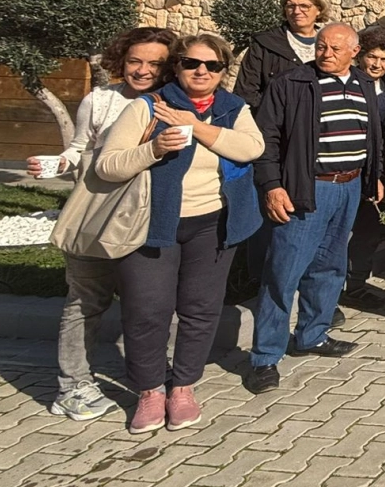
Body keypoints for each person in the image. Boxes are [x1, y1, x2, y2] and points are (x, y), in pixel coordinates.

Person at [96, 32, 264, 430]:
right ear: (178, 66)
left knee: (201, 309)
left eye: (212, 65)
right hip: (152, 223)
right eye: (192, 63)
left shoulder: (232, 107)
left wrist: (195, 126)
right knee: (147, 311)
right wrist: (152, 150)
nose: (201, 71)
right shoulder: (149, 106)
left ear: (223, 71)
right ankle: (150, 391)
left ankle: (183, 386)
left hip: (213, 223)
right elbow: (108, 166)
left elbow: (250, 149)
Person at [33, 25, 176, 422]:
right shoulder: (99, 100)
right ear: (121, 60)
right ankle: (73, 385)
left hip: (149, 217)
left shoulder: (173, 102)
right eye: (135, 61)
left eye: (154, 63)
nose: (143, 70)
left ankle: (151, 376)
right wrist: (59, 163)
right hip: (97, 215)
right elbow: (79, 149)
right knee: (85, 301)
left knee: (151, 302)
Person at [244, 24, 383, 393]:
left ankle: (312, 334)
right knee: (283, 272)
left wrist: (373, 177)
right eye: (322, 46)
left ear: (354, 51)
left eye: (336, 48)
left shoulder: (363, 84)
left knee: (330, 267)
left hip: (349, 187)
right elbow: (266, 139)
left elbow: (371, 134)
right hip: (308, 189)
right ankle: (264, 357)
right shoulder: (292, 83)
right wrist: (272, 187)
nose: (326, 53)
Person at [345, 26, 385, 309]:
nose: (378, 64)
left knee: (369, 231)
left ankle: (356, 285)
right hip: (357, 169)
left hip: (384, 169)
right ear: (360, 56)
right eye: (372, 57)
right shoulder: (350, 85)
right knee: (347, 232)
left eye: (384, 58)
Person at [234, 0, 327, 109]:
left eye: (304, 6)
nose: (296, 11)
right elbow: (246, 92)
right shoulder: (265, 43)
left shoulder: (331, 43)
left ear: (318, 10)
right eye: (290, 6)